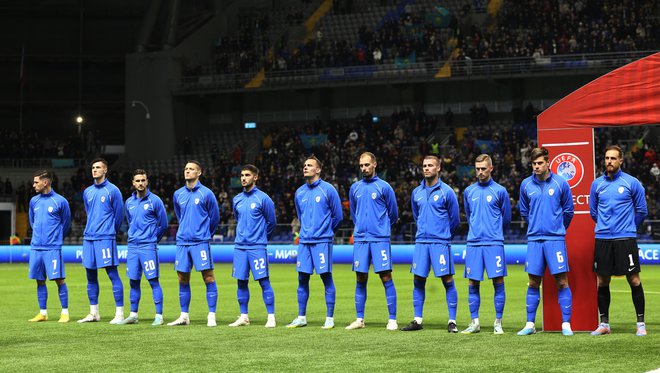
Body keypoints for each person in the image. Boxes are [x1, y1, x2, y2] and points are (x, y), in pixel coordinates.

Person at [589, 145, 648, 336]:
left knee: (634, 279)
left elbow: (642, 211)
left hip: (626, 239)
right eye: (606, 158)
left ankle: (640, 324)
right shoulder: (597, 184)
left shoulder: (632, 182)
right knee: (602, 281)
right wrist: (605, 226)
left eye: (613, 158)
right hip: (603, 239)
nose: (609, 162)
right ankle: (604, 323)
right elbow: (593, 212)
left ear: (621, 160)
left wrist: (629, 228)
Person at [517, 147, 574, 336]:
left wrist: (556, 228)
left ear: (548, 163)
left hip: (555, 239)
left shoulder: (560, 183)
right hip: (534, 240)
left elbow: (568, 211)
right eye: (534, 164)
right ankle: (530, 324)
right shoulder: (525, 185)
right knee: (533, 282)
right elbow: (524, 211)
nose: (536, 167)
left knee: (561, 281)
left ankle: (566, 324)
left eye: (540, 163)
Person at [401, 155, 460, 332]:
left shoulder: (447, 192)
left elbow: (455, 219)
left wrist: (443, 235)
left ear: (438, 168)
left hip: (440, 242)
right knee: (418, 280)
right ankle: (417, 320)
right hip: (421, 242)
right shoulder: (416, 192)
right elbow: (416, 215)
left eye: (430, 166)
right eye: (424, 165)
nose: (427, 168)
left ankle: (452, 321)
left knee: (447, 280)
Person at [287, 156, 342, 329]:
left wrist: (325, 231)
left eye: (309, 165)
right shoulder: (299, 192)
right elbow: (300, 215)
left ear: (318, 170)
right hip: (304, 242)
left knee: (326, 277)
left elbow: (338, 216)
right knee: (302, 278)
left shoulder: (328, 190)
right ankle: (301, 317)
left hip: (322, 241)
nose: (305, 168)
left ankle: (329, 319)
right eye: (304, 165)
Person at [345, 152, 399, 331]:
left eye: (367, 165)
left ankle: (392, 319)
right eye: (361, 166)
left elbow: (393, 214)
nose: (363, 168)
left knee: (385, 277)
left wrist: (380, 228)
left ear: (375, 165)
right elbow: (354, 213)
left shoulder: (384, 187)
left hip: (379, 239)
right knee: (360, 278)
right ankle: (359, 319)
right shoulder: (355, 188)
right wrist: (361, 227)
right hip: (361, 239)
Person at [460, 154, 511, 334]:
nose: (480, 172)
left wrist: (493, 232)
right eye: (477, 169)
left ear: (491, 169)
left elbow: (506, 218)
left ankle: (498, 323)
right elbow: (469, 214)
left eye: (483, 169)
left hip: (493, 243)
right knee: (473, 283)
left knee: (498, 282)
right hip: (473, 243)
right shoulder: (469, 192)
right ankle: (475, 322)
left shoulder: (500, 191)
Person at [168, 161, 220, 327]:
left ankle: (211, 315)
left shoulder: (207, 194)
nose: (187, 171)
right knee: (182, 278)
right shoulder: (178, 194)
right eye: (186, 169)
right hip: (183, 242)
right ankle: (184, 315)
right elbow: (179, 215)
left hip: (200, 242)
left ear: (199, 173)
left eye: (191, 169)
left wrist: (204, 234)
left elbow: (215, 218)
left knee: (208, 277)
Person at [228, 165, 277, 328]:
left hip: (257, 247)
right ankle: (244, 316)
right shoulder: (237, 199)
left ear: (255, 177)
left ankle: (271, 317)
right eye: (242, 175)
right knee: (241, 282)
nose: (243, 178)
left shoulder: (263, 199)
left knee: (264, 281)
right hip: (240, 247)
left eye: (247, 175)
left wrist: (261, 238)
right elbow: (237, 219)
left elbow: (272, 222)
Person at [78, 158, 125, 324]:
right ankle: (94, 313)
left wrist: (110, 231)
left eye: (98, 167)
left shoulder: (113, 191)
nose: (94, 170)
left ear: (105, 170)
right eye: (93, 167)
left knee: (112, 274)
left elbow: (119, 215)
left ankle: (119, 313)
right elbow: (89, 212)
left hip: (105, 237)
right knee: (90, 275)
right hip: (89, 237)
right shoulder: (87, 192)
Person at [119, 169, 168, 326]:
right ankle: (133, 315)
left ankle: (159, 316)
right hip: (132, 247)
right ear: (133, 183)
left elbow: (163, 224)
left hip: (148, 247)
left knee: (153, 281)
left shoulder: (155, 201)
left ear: (147, 182)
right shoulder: (129, 202)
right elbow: (130, 221)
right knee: (133, 281)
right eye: (137, 181)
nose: (140, 183)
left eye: (143, 180)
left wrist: (152, 240)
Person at [27, 170, 71, 323]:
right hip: (36, 247)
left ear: (45, 182)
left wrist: (56, 239)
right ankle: (43, 313)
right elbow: (32, 222)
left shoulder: (60, 201)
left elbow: (66, 225)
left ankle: (65, 312)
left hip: (52, 248)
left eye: (36, 182)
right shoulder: (34, 201)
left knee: (59, 279)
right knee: (39, 280)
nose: (33, 185)